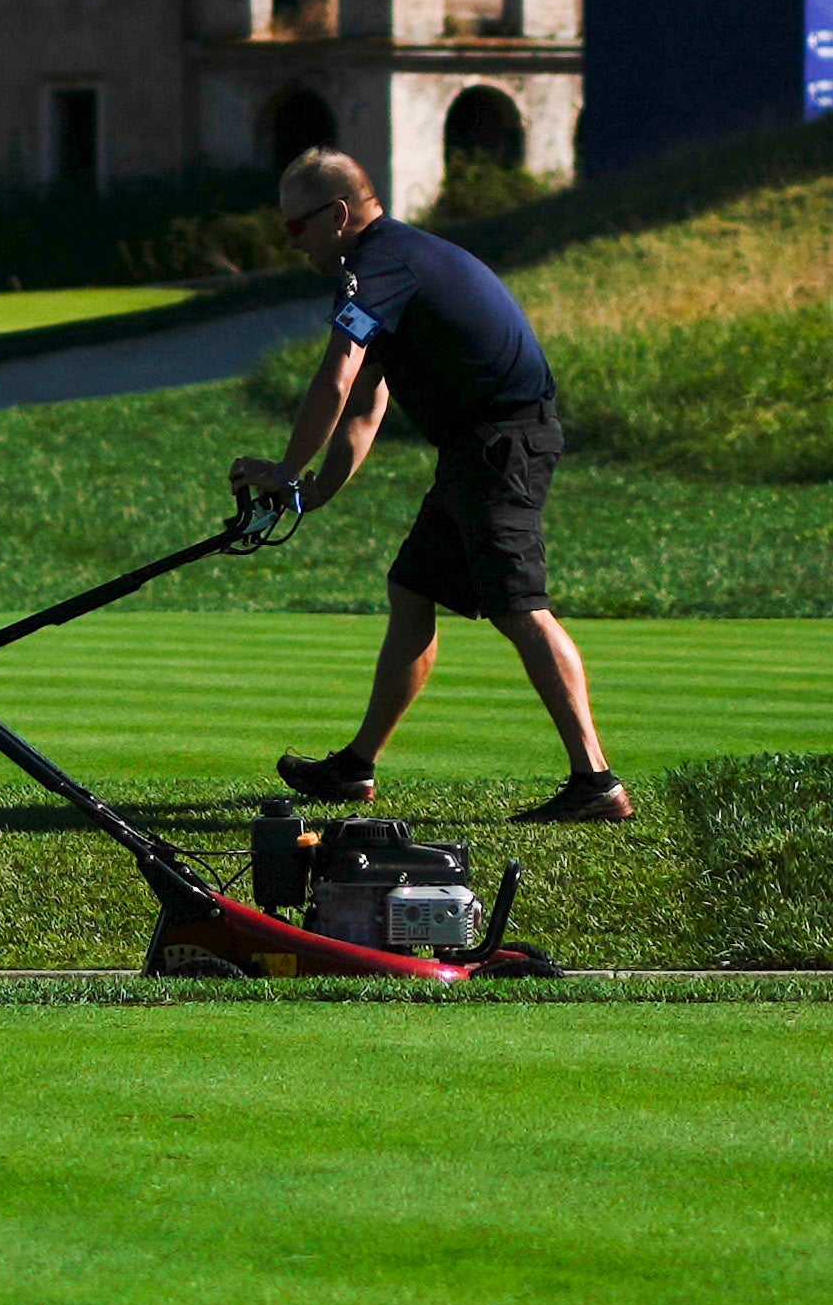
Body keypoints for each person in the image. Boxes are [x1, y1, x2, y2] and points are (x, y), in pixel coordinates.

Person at [259, 148, 625, 824]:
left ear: (338, 215)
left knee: (520, 607)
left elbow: (335, 380)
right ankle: (356, 767)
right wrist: (311, 492)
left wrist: (282, 473)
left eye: (296, 228)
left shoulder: (379, 267)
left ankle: (595, 782)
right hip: (475, 448)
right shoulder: (391, 267)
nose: (294, 243)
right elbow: (365, 407)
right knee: (413, 590)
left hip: (502, 444)